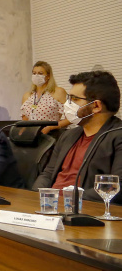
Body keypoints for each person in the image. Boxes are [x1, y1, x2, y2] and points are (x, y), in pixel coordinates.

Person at [32, 71, 122, 203]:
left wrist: (69, 200)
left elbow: (116, 187)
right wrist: (35, 197)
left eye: (74, 99)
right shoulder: (68, 135)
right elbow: (48, 174)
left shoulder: (117, 136)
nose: (67, 104)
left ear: (96, 106)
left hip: (83, 209)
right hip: (51, 207)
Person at [21, 61, 69, 134]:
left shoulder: (58, 92)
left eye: (40, 73)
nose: (36, 76)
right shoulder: (27, 95)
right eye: (34, 73)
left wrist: (51, 127)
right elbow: (25, 121)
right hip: (32, 135)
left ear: (48, 76)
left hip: (52, 134)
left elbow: (70, 118)